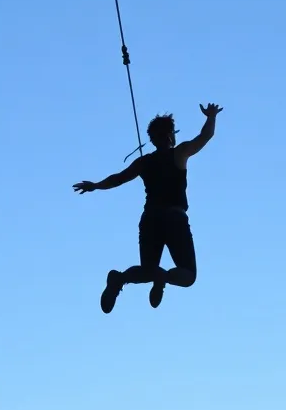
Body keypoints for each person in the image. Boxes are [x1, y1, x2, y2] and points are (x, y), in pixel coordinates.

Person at [73, 103, 223, 313]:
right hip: (174, 219)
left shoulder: (144, 162)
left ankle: (120, 278)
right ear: (171, 135)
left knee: (146, 271)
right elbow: (205, 137)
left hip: (151, 219)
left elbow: (119, 178)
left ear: (152, 139)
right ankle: (163, 278)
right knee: (188, 276)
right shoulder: (179, 153)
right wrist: (211, 116)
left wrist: (96, 186)